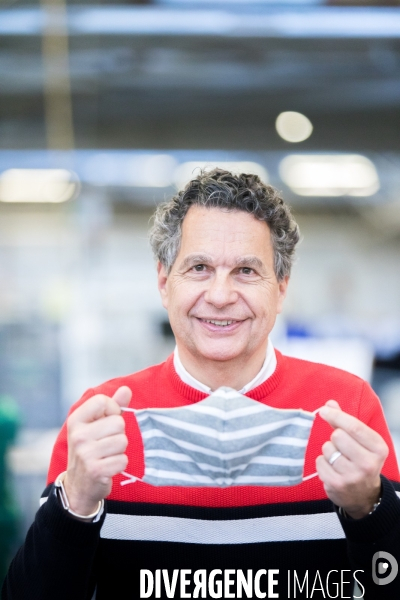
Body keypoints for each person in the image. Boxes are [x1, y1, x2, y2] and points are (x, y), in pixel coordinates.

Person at [2, 169, 400, 600]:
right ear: (163, 282)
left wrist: (371, 511)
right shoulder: (101, 420)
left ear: (281, 288)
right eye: (199, 267)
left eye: (247, 270)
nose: (220, 294)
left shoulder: (346, 409)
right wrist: (74, 505)